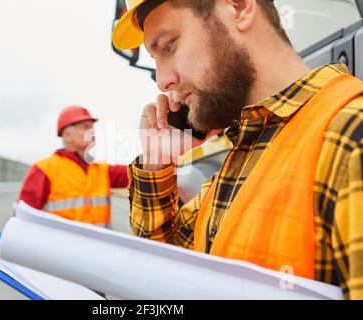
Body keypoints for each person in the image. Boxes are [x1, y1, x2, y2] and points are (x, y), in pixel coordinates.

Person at [112, 0, 363, 299]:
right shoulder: (238, 162)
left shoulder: (351, 137)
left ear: (240, 7)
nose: (163, 80)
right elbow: (160, 279)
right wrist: (156, 163)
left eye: (168, 46)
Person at [18, 106, 128, 228]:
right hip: (59, 247)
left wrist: (151, 151)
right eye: (85, 127)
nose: (92, 132)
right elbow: (22, 222)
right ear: (67, 135)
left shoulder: (101, 170)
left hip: (99, 246)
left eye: (92, 128)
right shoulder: (43, 170)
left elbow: (139, 171)